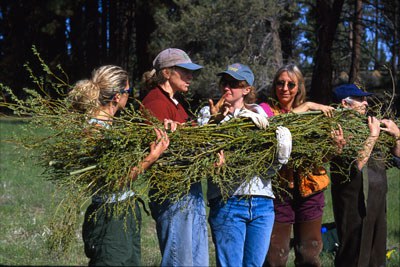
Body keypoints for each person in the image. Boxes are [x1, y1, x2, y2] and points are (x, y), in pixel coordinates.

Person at [68, 65, 170, 266]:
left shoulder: (110, 127)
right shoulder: (96, 131)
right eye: (128, 92)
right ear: (117, 96)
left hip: (123, 210)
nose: (129, 97)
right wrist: (152, 157)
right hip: (110, 216)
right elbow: (115, 181)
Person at [197, 63, 292, 267]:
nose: (226, 88)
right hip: (228, 201)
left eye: (233, 84)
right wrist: (216, 121)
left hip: (262, 202)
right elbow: (201, 150)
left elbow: (268, 156)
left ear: (247, 89)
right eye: (224, 82)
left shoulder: (259, 113)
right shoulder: (208, 113)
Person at [261, 64, 336, 267]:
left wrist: (335, 146)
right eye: (280, 83)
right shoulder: (265, 110)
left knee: (309, 251)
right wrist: (307, 106)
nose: (285, 88)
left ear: (299, 87)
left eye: (291, 84)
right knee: (276, 253)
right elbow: (280, 127)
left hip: (310, 187)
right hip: (279, 190)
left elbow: (323, 156)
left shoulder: (314, 116)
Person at [140, 48, 208, 266]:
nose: (190, 76)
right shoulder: (155, 102)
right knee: (180, 260)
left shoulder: (177, 103)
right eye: (184, 71)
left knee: (197, 260)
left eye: (191, 72)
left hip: (190, 190)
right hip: (174, 192)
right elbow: (164, 151)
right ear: (167, 73)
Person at [330, 83, 400, 267]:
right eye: (360, 99)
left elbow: (398, 160)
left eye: (365, 99)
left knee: (376, 258)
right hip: (353, 207)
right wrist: (373, 136)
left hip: (377, 207)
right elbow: (356, 165)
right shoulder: (336, 130)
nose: (365, 103)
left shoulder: (367, 127)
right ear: (345, 104)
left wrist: (397, 136)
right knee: (353, 257)